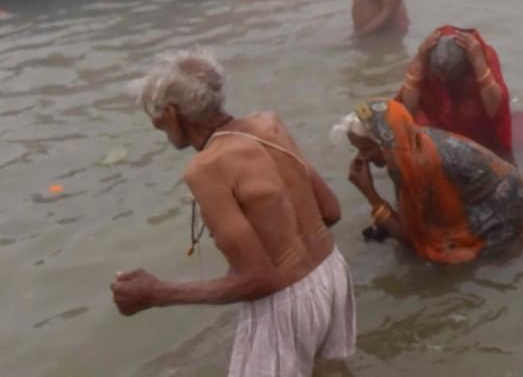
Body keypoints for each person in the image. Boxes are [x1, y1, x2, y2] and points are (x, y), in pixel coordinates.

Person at [113, 49, 354, 375]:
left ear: (172, 113)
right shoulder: (269, 125)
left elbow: (259, 280)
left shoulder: (206, 167)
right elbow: (331, 211)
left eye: (155, 114)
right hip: (332, 274)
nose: (155, 123)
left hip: (285, 306)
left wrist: (157, 293)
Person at [337, 99, 523, 263]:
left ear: (384, 145)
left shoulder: (415, 165)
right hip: (503, 196)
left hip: (508, 216)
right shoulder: (408, 143)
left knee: (443, 261)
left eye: (365, 149)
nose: (361, 157)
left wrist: (370, 195)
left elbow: (414, 240)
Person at [397, 25, 514, 163]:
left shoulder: (483, 57)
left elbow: (496, 109)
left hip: (485, 143)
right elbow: (406, 112)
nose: (444, 81)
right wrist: (420, 58)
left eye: (450, 76)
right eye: (440, 76)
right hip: (444, 143)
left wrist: (478, 63)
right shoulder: (425, 63)